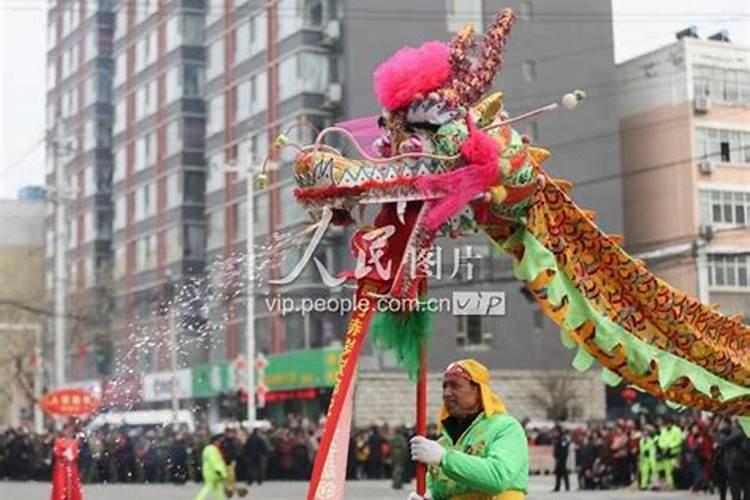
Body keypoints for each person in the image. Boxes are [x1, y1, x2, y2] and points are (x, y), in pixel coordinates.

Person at [409, 359, 528, 500]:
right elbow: (440, 490)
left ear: (478, 391)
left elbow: (498, 477)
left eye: (455, 386)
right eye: (444, 386)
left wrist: (444, 458)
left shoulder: (505, 428)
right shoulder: (443, 443)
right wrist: (430, 496)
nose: (446, 393)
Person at [51, 423, 83, 500]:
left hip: (72, 467)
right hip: (61, 468)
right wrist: (64, 453)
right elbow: (57, 452)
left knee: (72, 487)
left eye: (70, 430)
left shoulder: (75, 442)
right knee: (61, 486)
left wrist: (71, 455)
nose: (69, 432)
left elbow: (75, 454)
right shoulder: (58, 441)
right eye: (67, 430)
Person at [194, 434, 228, 500]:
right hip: (213, 473)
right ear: (214, 441)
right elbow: (215, 462)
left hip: (210, 472)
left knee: (217, 490)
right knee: (209, 488)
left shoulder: (208, 449)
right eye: (218, 441)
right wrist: (220, 471)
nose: (219, 443)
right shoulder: (212, 449)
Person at [656, 416, 682, 490]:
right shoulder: (664, 430)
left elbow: (679, 441)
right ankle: (670, 485)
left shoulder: (677, 430)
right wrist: (663, 447)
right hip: (666, 453)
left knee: (675, 469)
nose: (667, 425)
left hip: (675, 453)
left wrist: (670, 446)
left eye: (668, 424)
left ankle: (677, 484)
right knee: (668, 470)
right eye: (666, 424)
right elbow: (660, 441)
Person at [638, 425, 657, 490]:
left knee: (654, 471)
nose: (645, 433)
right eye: (644, 432)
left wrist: (647, 450)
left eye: (646, 432)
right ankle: (644, 485)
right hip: (644, 458)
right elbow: (641, 449)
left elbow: (651, 447)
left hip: (652, 457)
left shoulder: (652, 439)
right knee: (644, 472)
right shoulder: (641, 441)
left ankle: (655, 485)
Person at [552, 424, 570, 492]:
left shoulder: (563, 439)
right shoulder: (558, 438)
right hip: (558, 458)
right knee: (558, 473)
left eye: (555, 431)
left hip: (562, 459)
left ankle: (567, 487)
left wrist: (561, 458)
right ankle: (557, 487)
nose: (554, 433)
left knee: (564, 473)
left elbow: (564, 449)